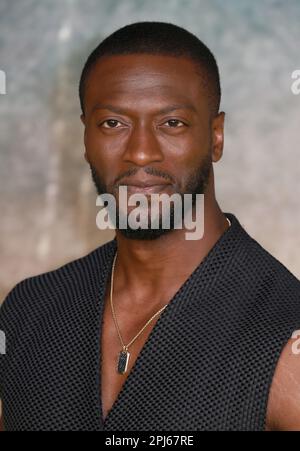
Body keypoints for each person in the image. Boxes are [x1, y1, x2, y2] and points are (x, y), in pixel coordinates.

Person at [0, 22, 300, 432]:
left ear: (216, 136)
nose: (141, 152)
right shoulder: (29, 312)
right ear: (85, 136)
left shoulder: (284, 336)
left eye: (172, 123)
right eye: (113, 123)